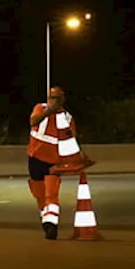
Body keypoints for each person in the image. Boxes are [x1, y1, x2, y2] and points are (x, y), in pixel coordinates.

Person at [27, 86, 93, 240]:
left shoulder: (67, 118)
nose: (54, 101)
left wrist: (79, 157)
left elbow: (72, 141)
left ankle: (51, 226)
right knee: (40, 196)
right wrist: (47, 112)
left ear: (63, 100)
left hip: (54, 163)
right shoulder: (40, 108)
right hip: (35, 159)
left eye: (57, 98)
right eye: (52, 98)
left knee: (51, 195)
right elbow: (33, 121)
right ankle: (46, 220)